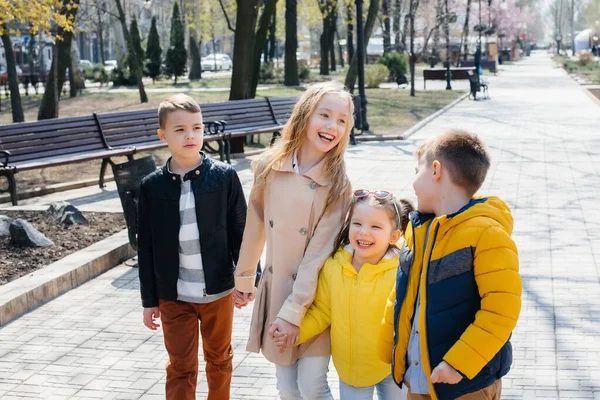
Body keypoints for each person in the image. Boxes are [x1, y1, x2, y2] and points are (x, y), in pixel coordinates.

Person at [232, 81, 355, 399]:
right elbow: (255, 225)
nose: (333, 126)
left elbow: (318, 253)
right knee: (287, 387)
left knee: (312, 385)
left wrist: (293, 312)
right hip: (278, 291)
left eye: (342, 120)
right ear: (304, 115)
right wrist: (245, 278)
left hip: (314, 297)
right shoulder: (268, 166)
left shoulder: (339, 184)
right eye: (324, 115)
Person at [379, 130, 522, 400]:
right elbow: (402, 294)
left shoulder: (486, 233)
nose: (412, 182)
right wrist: (389, 345)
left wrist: (458, 363)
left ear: (435, 170)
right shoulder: (419, 230)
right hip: (420, 379)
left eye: (416, 171)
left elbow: (502, 310)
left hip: (465, 383)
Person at [138, 94, 247, 400]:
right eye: (180, 129)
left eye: (197, 127)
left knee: (220, 359)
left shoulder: (224, 177)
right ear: (163, 136)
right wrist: (150, 299)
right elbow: (145, 247)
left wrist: (247, 280)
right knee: (181, 366)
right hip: (174, 295)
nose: (190, 135)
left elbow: (242, 232)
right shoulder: (151, 186)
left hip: (219, 291)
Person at [275, 190, 414, 400]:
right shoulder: (334, 266)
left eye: (376, 227)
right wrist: (295, 333)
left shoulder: (402, 270)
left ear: (394, 236)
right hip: (353, 370)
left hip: (394, 366)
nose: (364, 232)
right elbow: (322, 311)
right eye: (357, 224)